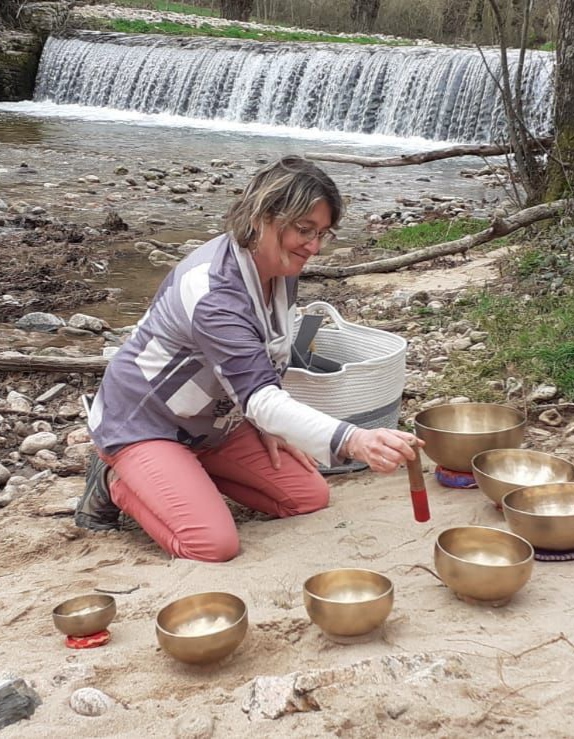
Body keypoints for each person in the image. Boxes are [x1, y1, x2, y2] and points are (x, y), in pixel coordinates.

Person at [76, 155, 421, 562]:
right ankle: (114, 477)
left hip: (216, 422)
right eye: (304, 230)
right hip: (147, 421)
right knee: (212, 544)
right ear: (261, 216)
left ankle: (182, 476)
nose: (313, 247)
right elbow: (259, 394)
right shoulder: (215, 292)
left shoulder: (281, 266)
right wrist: (355, 439)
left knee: (307, 496)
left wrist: (271, 425)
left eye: (322, 234)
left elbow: (269, 354)